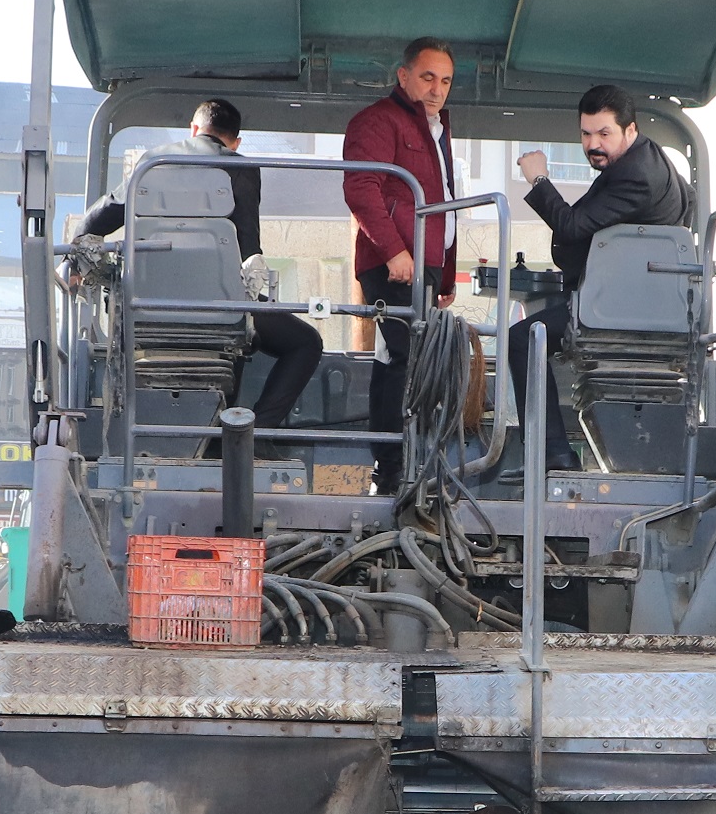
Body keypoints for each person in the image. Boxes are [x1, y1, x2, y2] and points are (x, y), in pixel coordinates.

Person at [84, 99, 324, 433]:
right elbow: (248, 248)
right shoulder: (241, 168)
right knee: (305, 342)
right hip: (221, 312)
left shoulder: (151, 164)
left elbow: (96, 219)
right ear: (235, 141)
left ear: (193, 130)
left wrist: (75, 262)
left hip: (146, 312)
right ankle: (250, 433)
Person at [511, 86, 695, 469]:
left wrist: (539, 181)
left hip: (624, 306)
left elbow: (573, 226)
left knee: (523, 339)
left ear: (630, 130)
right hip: (631, 297)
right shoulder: (649, 158)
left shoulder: (636, 177)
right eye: (585, 134)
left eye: (604, 134)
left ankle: (552, 455)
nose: (593, 144)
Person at [341, 38, 461, 493]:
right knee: (411, 358)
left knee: (399, 357)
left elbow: (443, 200)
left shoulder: (437, 128)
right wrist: (394, 251)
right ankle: (395, 468)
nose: (437, 89)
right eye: (428, 77)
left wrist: (445, 275)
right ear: (403, 75)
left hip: (423, 265)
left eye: (446, 80)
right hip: (393, 262)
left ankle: (396, 466)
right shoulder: (377, 120)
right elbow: (360, 187)